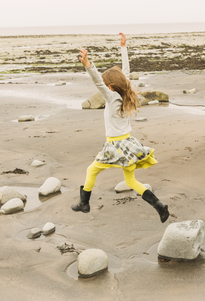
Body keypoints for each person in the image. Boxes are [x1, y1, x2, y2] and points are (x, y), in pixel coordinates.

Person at [71, 33, 169, 223]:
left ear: (111, 86)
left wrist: (88, 65)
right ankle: (159, 205)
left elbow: (97, 81)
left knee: (92, 171)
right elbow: (125, 71)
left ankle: (84, 204)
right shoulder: (125, 91)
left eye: (107, 85)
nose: (105, 87)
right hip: (129, 143)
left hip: (115, 146)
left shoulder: (111, 96)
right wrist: (123, 47)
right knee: (130, 181)